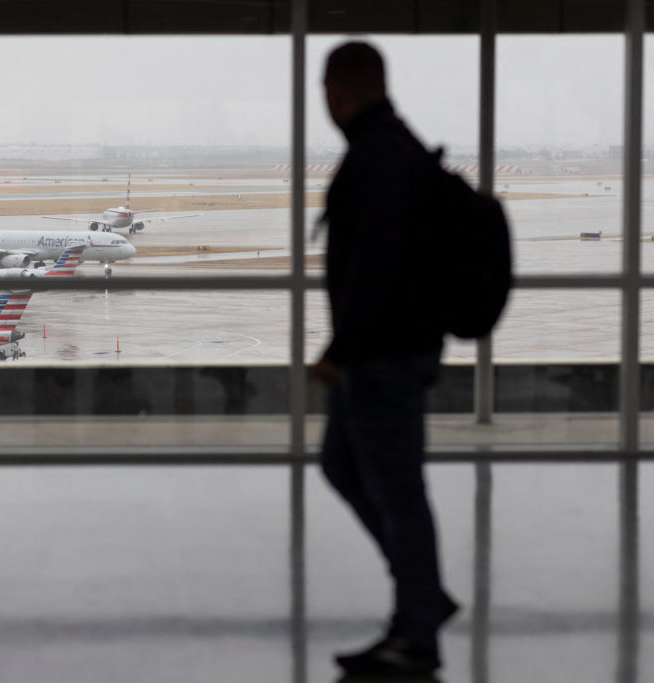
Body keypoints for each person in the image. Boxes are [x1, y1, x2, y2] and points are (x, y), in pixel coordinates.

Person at [311, 41, 458, 677]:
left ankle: (417, 631)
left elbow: (376, 266)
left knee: (397, 491)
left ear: (337, 92)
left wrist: (340, 350)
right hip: (384, 350)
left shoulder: (379, 156)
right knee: (344, 464)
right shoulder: (390, 148)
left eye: (326, 92)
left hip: (383, 355)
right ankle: (423, 597)